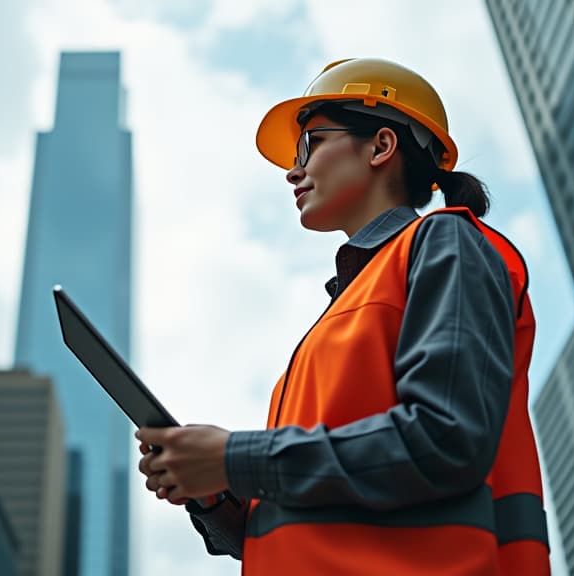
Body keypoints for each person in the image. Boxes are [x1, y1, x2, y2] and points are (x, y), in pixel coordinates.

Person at [136, 58, 550, 575]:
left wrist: (234, 458)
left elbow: (445, 440)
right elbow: (295, 522)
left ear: (381, 146)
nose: (293, 169)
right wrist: (215, 493)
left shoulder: (446, 244)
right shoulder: (342, 314)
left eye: (310, 143)